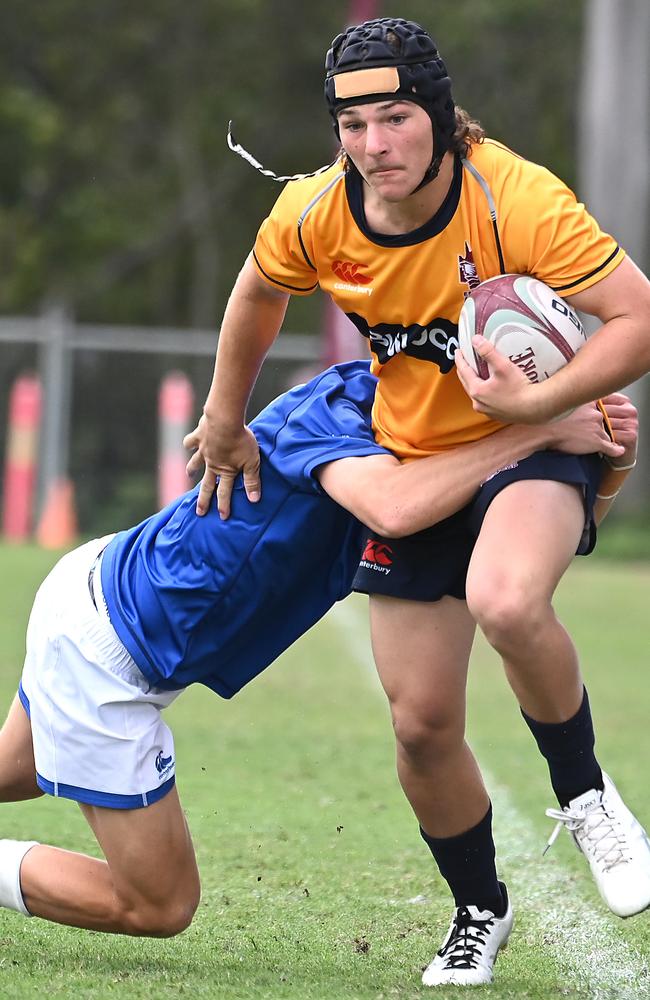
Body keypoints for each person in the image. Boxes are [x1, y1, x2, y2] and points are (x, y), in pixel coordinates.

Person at [185, 17, 650, 987]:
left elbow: (636, 318)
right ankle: (479, 907)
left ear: (437, 118)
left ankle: (586, 793)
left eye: (393, 119)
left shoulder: (513, 197)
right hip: (418, 460)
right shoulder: (319, 211)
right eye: (351, 126)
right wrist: (225, 418)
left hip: (535, 448)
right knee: (419, 724)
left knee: (508, 599)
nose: (372, 145)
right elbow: (255, 293)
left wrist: (539, 402)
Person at [0, 360, 622, 940]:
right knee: (158, 904)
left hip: (99, 591)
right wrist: (538, 435)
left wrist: (602, 460)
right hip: (107, 649)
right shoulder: (336, 405)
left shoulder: (428, 434)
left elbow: (541, 536)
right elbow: (395, 507)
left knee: (16, 772)